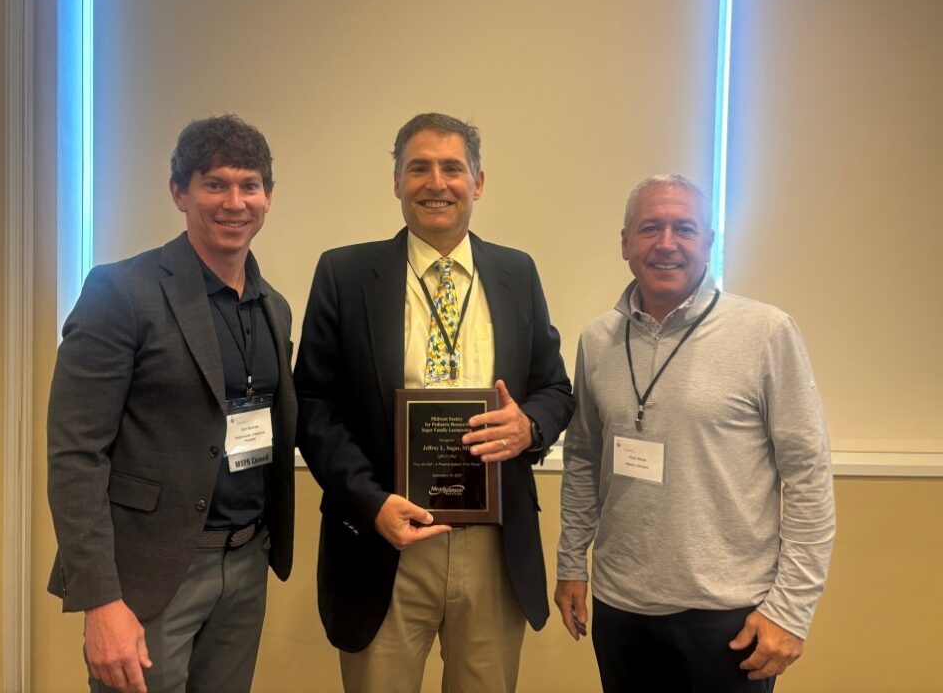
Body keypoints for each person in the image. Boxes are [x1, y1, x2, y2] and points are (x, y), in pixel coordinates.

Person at [294, 113, 574, 692]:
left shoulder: (517, 272)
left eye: (452, 168)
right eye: (419, 168)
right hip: (384, 539)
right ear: (397, 182)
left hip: (494, 544)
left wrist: (529, 427)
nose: (436, 183)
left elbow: (555, 389)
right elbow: (314, 405)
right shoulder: (345, 272)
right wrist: (370, 503)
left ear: (478, 182)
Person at [555, 174, 835, 692]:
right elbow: (583, 458)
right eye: (650, 228)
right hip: (621, 608)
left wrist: (791, 610)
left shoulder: (766, 333)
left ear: (708, 242)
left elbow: (809, 477)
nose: (666, 243)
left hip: (729, 616)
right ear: (625, 243)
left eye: (684, 228)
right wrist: (572, 563)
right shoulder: (597, 340)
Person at [47, 115, 296, 693]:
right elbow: (76, 455)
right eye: (215, 184)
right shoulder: (121, 291)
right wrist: (100, 600)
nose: (234, 202)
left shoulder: (273, 306)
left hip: (247, 563)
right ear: (179, 193)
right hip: (150, 575)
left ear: (267, 197)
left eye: (249, 185)